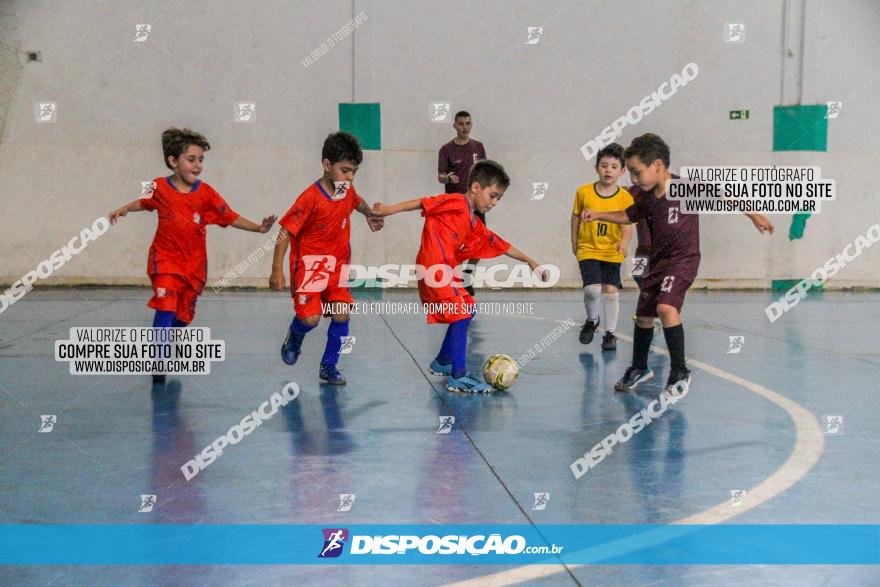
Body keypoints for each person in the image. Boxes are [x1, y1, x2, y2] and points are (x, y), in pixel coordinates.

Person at [581, 134, 772, 394]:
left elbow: (723, 195)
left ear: (657, 166)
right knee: (644, 317)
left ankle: (680, 370)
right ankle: (639, 367)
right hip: (653, 261)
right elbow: (628, 215)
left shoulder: (685, 188)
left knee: (666, 308)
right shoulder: (644, 196)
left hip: (683, 260)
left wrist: (754, 215)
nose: (633, 180)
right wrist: (599, 213)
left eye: (636, 173)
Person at [109, 127, 276, 383]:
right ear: (173, 161)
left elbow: (229, 216)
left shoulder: (207, 194)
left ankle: (167, 339)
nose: (197, 165)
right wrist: (124, 208)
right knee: (165, 305)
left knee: (183, 318)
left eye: (201, 160)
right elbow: (142, 202)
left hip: (193, 268)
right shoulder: (157, 186)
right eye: (191, 159)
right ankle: (159, 359)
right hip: (164, 262)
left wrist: (258, 228)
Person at [373, 160, 547, 393]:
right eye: (492, 195)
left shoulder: (474, 223)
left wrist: (530, 261)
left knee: (468, 308)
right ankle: (458, 376)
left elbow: (501, 244)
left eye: (499, 199)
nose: (494, 203)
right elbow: (422, 203)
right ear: (475, 187)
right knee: (461, 312)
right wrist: (387, 209)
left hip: (446, 271)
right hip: (433, 267)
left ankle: (443, 361)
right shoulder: (455, 202)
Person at [269, 132, 383, 386]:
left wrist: (368, 213)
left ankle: (329, 366)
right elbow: (285, 231)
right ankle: (295, 336)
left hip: (338, 266)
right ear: (326, 165)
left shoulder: (347, 189)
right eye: (345, 170)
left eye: (354, 171)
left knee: (342, 314)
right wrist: (277, 268)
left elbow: (356, 200)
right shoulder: (310, 197)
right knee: (310, 319)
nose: (350, 177)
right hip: (310, 269)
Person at [571, 143, 633, 351]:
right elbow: (576, 217)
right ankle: (592, 319)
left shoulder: (625, 197)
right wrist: (574, 241)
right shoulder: (584, 192)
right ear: (596, 168)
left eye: (614, 167)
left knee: (611, 291)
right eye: (604, 165)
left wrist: (624, 242)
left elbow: (628, 224)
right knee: (591, 290)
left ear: (622, 171)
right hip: (588, 248)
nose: (608, 170)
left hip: (611, 251)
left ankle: (610, 334)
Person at [438, 110, 487, 295]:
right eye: (461, 124)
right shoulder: (446, 149)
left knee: (480, 245)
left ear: (471, 125)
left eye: (467, 123)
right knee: (453, 246)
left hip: (476, 205)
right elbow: (440, 176)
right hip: (455, 206)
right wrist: (448, 179)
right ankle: (452, 282)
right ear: (455, 126)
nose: (464, 127)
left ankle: (467, 276)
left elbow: (485, 172)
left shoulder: (478, 147)